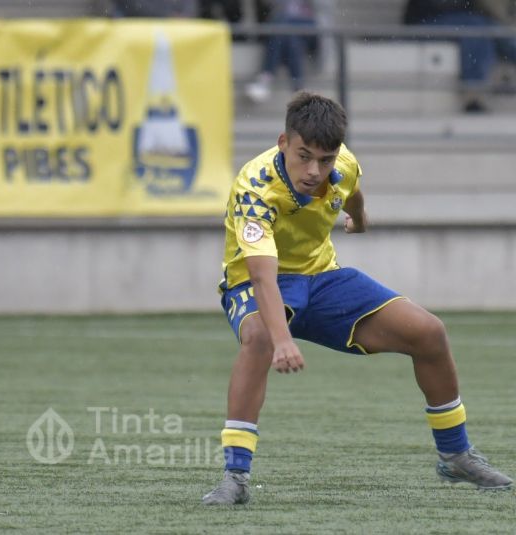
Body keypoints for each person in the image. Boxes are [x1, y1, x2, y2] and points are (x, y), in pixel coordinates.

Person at [201, 92, 512, 505]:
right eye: (304, 156)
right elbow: (262, 276)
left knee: (429, 332)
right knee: (259, 336)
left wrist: (360, 221)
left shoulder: (341, 164)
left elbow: (352, 190)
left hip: (322, 277)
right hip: (253, 282)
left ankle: (455, 453)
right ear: (282, 142)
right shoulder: (254, 188)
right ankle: (235, 476)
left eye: (324, 159)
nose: (314, 170)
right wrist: (283, 339)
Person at [403, 0, 516, 113]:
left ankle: (475, 92)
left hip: (461, 19)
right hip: (423, 23)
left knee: (491, 29)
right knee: (477, 28)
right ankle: (473, 94)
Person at [244, 0, 318, 102]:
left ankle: (266, 76)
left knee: (282, 21)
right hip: (290, 33)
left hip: (309, 24)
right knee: (293, 42)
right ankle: (298, 87)